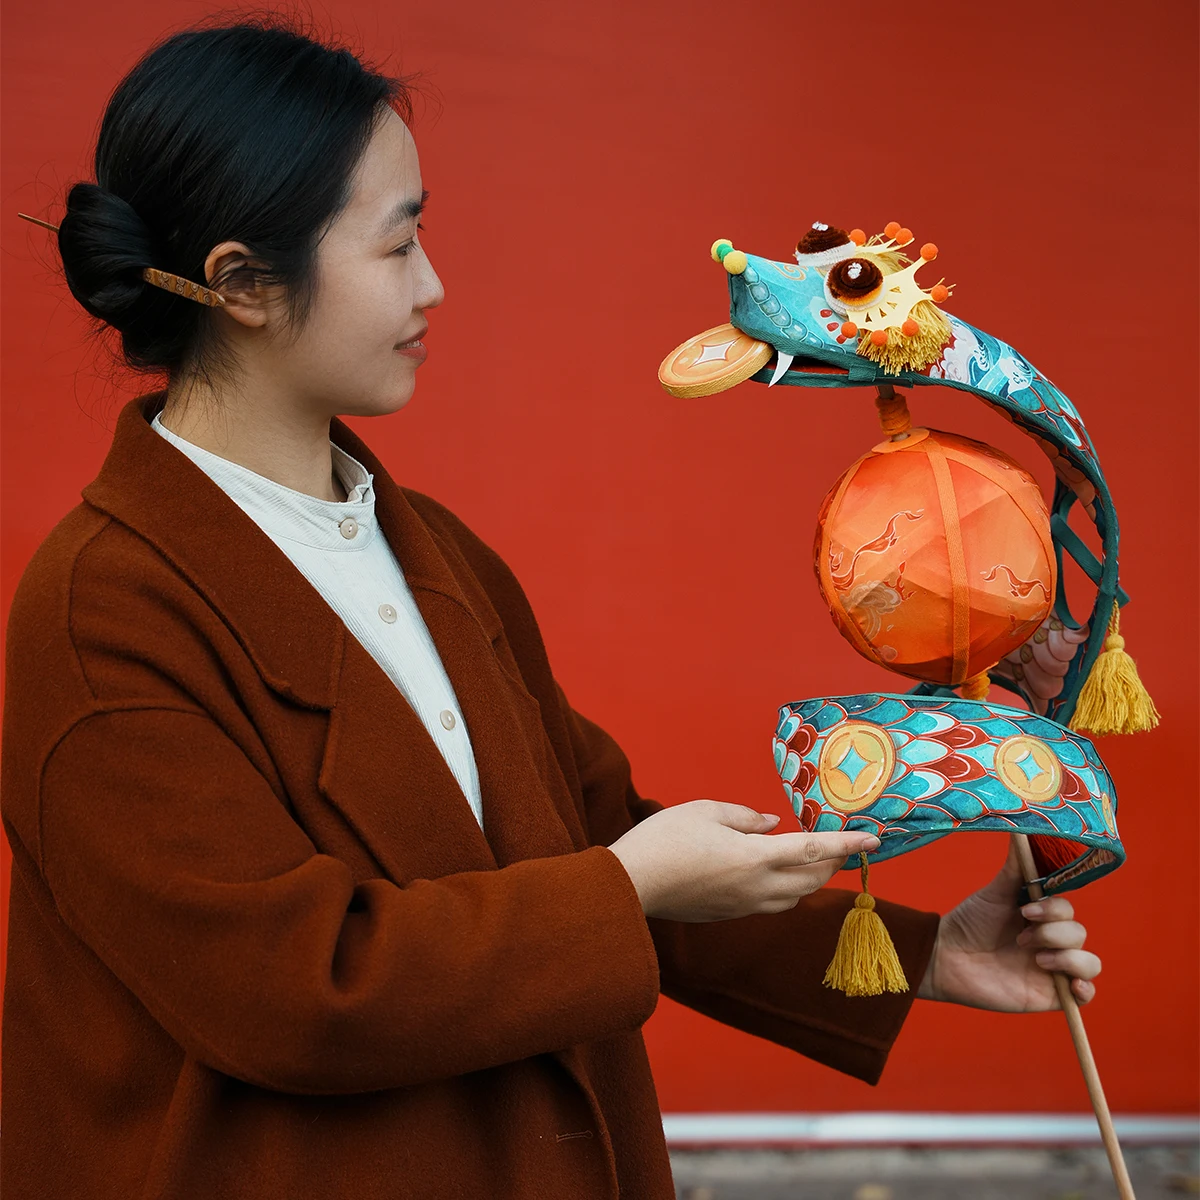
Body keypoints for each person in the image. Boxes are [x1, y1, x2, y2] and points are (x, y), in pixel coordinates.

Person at [1, 18, 1101, 1200]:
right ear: (241, 284)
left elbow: (594, 840)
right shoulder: (102, 612)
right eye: (397, 243)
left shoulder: (436, 552)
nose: (434, 284)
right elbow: (289, 987)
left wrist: (929, 954)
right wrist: (627, 888)